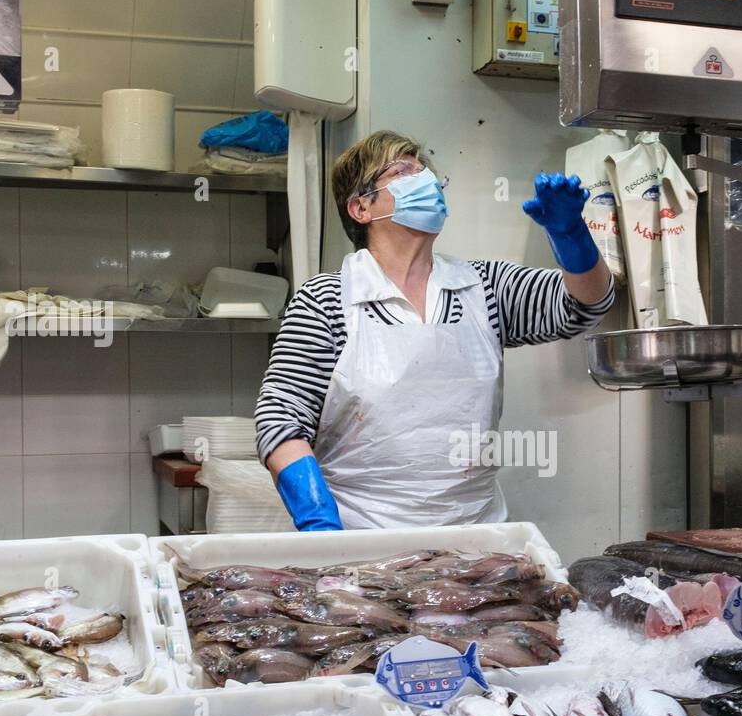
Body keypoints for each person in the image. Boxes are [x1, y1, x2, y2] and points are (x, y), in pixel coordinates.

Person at [255, 129, 615, 530]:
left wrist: (571, 236)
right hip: (362, 538)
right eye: (404, 170)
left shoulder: (485, 286)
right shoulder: (327, 299)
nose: (425, 179)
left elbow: (585, 305)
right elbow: (280, 419)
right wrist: (319, 519)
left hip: (477, 538)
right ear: (360, 208)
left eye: (427, 171)